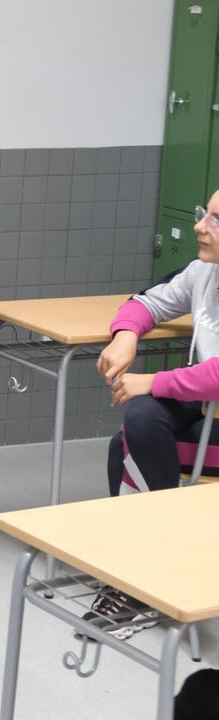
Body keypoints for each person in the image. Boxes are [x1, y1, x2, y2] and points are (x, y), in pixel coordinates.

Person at [89, 192, 219, 635]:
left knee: (130, 436)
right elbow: (146, 301)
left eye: (215, 221)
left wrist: (153, 381)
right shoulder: (205, 270)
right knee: (135, 429)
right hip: (205, 413)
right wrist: (126, 334)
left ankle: (145, 580)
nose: (200, 226)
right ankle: (142, 576)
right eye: (204, 213)